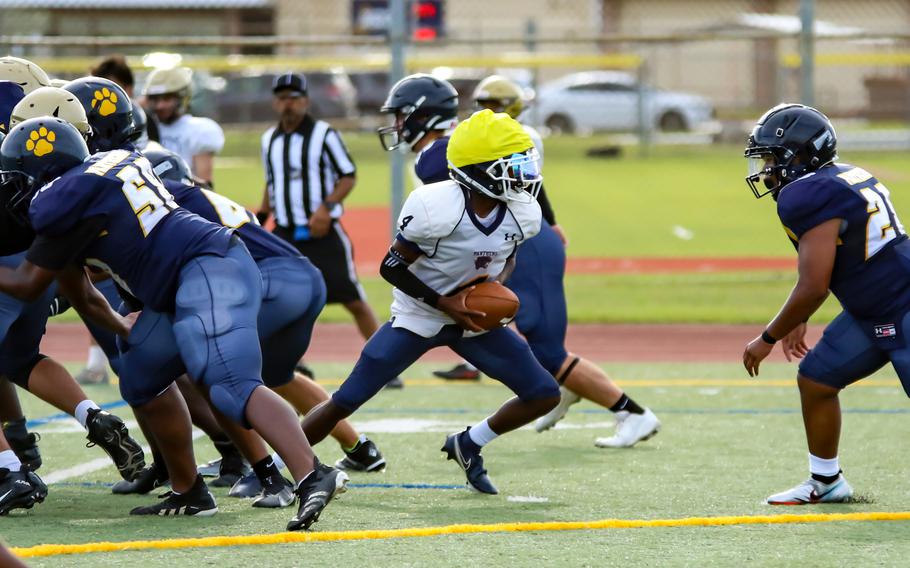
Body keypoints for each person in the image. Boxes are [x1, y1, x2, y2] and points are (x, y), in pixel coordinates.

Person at [0, 117, 346, 529]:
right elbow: (87, 298)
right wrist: (125, 329)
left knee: (230, 382)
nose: (11, 190)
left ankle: (311, 473)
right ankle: (189, 490)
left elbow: (25, 284)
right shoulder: (87, 193)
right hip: (178, 289)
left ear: (42, 171)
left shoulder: (65, 199)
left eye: (15, 178)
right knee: (141, 372)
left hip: (208, 269)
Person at [381, 74, 660, 448]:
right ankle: (564, 389)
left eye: (401, 116)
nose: (397, 125)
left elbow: (515, 190)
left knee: (546, 350)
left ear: (422, 116)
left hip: (524, 247)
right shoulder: (451, 146)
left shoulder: (439, 156)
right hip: (514, 243)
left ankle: (633, 413)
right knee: (521, 343)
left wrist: (548, 224)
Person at [302, 110, 561, 495]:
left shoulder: (523, 210)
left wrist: (489, 290)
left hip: (472, 321)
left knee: (544, 393)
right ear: (480, 169)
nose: (522, 173)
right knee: (345, 400)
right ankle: (272, 466)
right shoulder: (434, 205)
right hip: (418, 315)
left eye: (525, 161)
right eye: (512, 164)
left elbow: (508, 254)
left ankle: (469, 442)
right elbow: (391, 267)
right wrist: (446, 302)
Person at [740, 103, 910, 505]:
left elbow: (814, 284)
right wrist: (800, 314)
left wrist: (768, 336)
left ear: (802, 155)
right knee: (817, 378)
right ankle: (826, 480)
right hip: (873, 308)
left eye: (772, 159)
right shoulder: (838, 177)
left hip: (903, 304)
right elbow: (840, 260)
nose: (766, 170)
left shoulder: (805, 194)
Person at [259, 72, 402, 388]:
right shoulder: (269, 139)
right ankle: (291, 364)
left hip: (323, 234)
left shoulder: (324, 135)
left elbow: (347, 175)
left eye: (294, 98)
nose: (288, 104)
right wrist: (260, 215)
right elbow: (272, 183)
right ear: (275, 102)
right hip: (284, 232)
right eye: (282, 98)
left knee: (352, 298)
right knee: (272, 298)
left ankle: (387, 364)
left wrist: (325, 207)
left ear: (306, 101)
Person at [143, 66, 222, 185]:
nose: (160, 105)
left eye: (167, 98)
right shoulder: (144, 127)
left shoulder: (199, 130)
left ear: (183, 97)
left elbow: (205, 186)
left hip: (184, 197)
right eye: (155, 99)